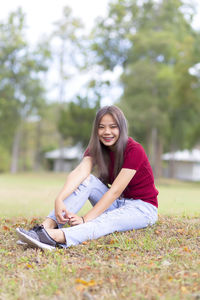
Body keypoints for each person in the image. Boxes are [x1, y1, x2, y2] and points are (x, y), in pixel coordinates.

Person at [16, 105, 158, 250]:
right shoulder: (96, 149)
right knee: (87, 180)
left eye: (113, 127)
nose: (107, 132)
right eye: (101, 127)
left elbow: (114, 191)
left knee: (105, 220)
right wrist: (59, 199)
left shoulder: (134, 150)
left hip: (142, 208)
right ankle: (43, 228)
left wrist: (85, 219)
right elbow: (80, 173)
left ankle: (55, 237)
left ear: (121, 128)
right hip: (118, 203)